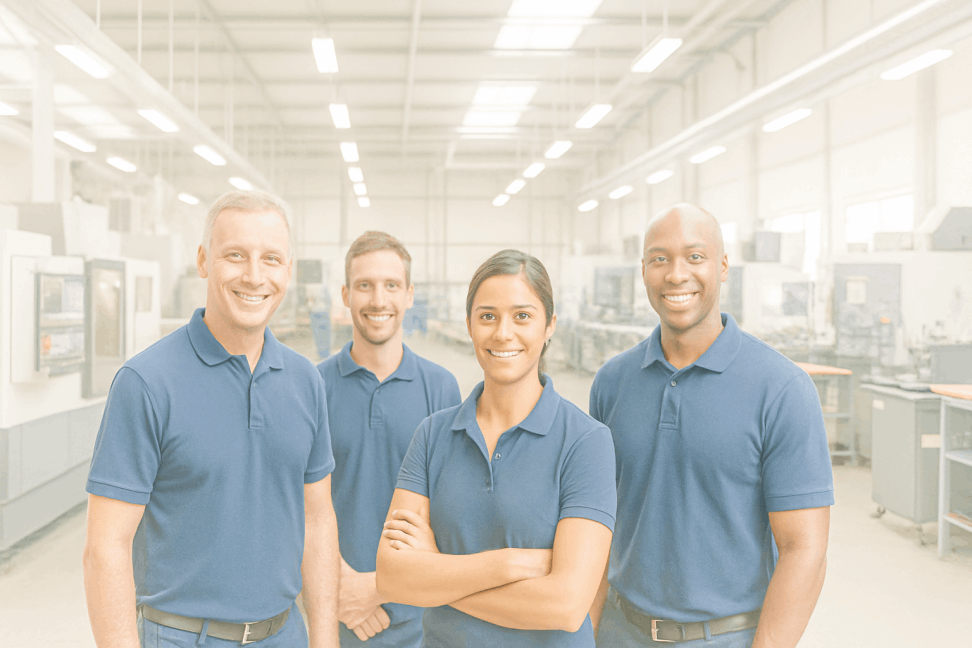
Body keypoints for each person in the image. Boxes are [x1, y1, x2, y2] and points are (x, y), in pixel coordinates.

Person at [83, 190, 340, 648]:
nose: (254, 276)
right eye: (235, 255)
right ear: (204, 260)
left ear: (289, 270)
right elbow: (105, 548)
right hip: (181, 637)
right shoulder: (145, 382)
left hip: (286, 633)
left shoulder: (305, 381)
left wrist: (324, 638)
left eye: (271, 259)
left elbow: (318, 521)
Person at [589, 203, 833, 648]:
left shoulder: (781, 389)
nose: (676, 274)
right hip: (619, 631)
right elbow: (596, 527)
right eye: (659, 259)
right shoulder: (612, 383)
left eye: (695, 257)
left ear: (723, 267)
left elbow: (805, 551)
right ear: (643, 270)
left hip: (727, 637)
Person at [375, 249, 617, 648]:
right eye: (488, 316)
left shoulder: (585, 441)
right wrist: (511, 563)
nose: (503, 332)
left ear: (550, 325)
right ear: (469, 325)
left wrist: (438, 574)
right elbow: (393, 578)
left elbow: (567, 605)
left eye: (522, 316)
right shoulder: (434, 434)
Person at [318, 231, 461, 646]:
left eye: (391, 285)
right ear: (345, 295)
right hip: (333, 616)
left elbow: (451, 512)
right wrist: (342, 589)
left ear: (409, 294)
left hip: (420, 623)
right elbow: (295, 504)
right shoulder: (311, 386)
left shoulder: (441, 388)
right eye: (365, 286)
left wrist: (379, 589)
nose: (378, 300)